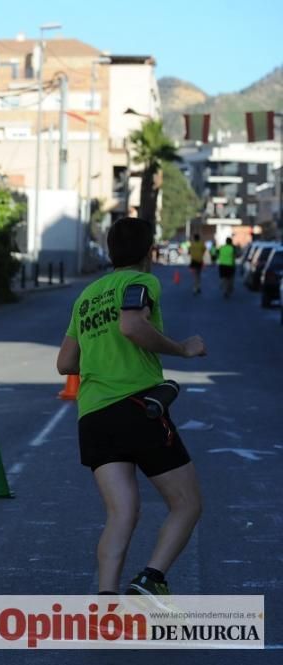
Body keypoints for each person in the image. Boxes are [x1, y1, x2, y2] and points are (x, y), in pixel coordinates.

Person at [56, 216, 205, 604]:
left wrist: (101, 359)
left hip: (93, 418)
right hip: (137, 407)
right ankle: (151, 578)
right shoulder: (141, 282)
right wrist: (182, 349)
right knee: (187, 504)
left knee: (122, 512)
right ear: (148, 251)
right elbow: (131, 326)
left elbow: (66, 362)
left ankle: (107, 599)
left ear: (109, 251)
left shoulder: (86, 297)